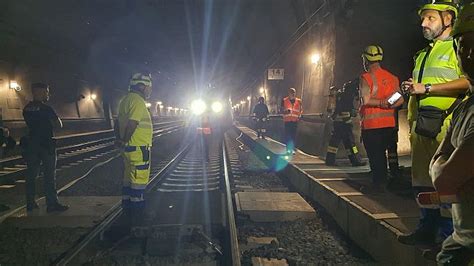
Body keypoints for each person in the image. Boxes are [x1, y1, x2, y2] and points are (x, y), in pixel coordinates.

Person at [398, 1, 470, 249]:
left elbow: (467, 81)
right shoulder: (423, 53)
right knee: (422, 181)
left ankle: (450, 237)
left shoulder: (459, 47)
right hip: (422, 128)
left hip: (445, 128)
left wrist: (427, 88)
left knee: (447, 182)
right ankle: (426, 230)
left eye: (430, 18)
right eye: (423, 19)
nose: (423, 24)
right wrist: (412, 88)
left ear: (448, 19)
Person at [429, 5, 474, 264]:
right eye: (462, 45)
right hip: (462, 239)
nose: (467, 54)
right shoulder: (463, 108)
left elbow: (444, 178)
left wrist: (440, 164)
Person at [359, 45, 402, 190]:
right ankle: (389, 179)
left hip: (372, 125)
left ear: (365, 59)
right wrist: (388, 102)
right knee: (384, 155)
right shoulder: (392, 77)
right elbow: (399, 99)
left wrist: (381, 103)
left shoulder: (366, 78)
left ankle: (378, 185)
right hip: (389, 125)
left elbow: (365, 100)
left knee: (375, 156)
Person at [22, 83, 68, 212]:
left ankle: (30, 203)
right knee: (49, 175)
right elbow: (59, 125)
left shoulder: (26, 109)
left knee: (31, 174)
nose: (47, 94)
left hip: (32, 145)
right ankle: (51, 204)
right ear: (40, 92)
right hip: (46, 146)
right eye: (46, 92)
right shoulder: (47, 109)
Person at [116, 73, 153, 227]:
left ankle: (126, 213)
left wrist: (120, 140)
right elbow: (133, 123)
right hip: (139, 149)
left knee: (128, 182)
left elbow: (117, 123)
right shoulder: (138, 101)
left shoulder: (124, 100)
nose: (150, 91)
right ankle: (138, 218)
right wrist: (124, 139)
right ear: (142, 86)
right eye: (149, 87)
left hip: (128, 150)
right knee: (138, 183)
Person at [325, 79, 366, 167]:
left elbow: (337, 109)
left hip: (337, 123)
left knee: (334, 143)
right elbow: (348, 109)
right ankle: (356, 160)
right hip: (345, 123)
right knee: (351, 144)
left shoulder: (340, 95)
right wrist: (353, 112)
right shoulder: (348, 96)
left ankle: (329, 160)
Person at [280, 87, 302, 154]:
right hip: (287, 121)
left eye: (293, 93)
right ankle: (288, 149)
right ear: (289, 93)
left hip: (295, 121)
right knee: (288, 135)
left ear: (295, 93)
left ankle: (291, 149)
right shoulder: (284, 100)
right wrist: (286, 111)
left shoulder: (299, 101)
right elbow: (281, 110)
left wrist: (299, 115)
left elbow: (300, 110)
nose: (292, 94)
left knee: (293, 136)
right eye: (291, 93)